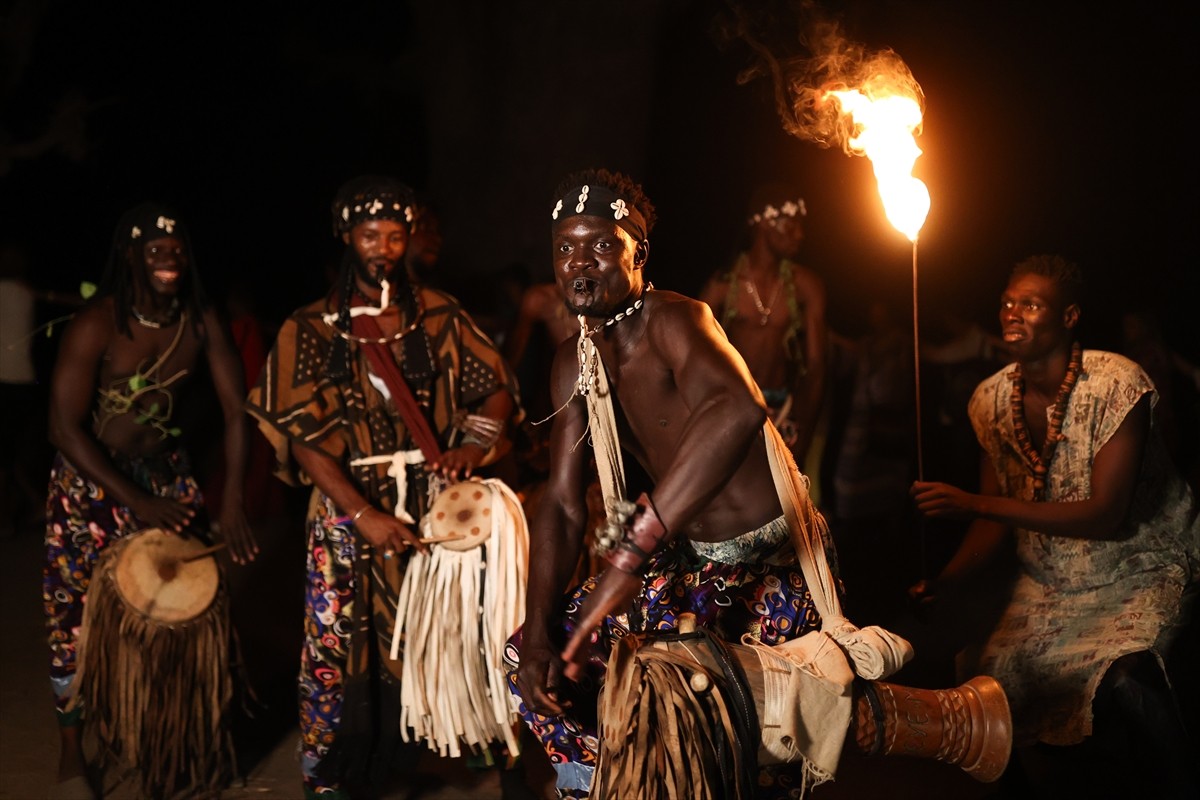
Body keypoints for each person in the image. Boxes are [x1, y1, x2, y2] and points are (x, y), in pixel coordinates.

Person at [506, 169, 1006, 799]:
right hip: (686, 558)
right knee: (533, 660)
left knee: (704, 700)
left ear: (639, 252)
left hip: (767, 559)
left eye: (602, 244)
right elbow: (560, 503)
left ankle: (951, 721)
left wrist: (633, 549)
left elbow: (738, 408)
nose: (581, 262)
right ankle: (605, 784)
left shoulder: (676, 319)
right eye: (566, 248)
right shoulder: (572, 361)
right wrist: (540, 631)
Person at [245, 175, 523, 799]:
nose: (384, 249)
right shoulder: (310, 327)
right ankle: (330, 776)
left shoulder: (439, 314)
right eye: (370, 236)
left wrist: (473, 444)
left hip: (429, 507)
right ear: (347, 238)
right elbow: (303, 440)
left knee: (442, 632)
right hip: (347, 513)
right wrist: (362, 514)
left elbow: (497, 388)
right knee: (338, 642)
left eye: (395, 236)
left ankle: (427, 754)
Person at [910, 254, 1200, 798]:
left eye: (1031, 304)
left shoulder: (1118, 385)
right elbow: (992, 523)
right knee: (981, 685)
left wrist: (976, 503)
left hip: (1138, 566)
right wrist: (947, 580)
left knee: (1128, 681)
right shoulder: (990, 399)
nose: (1012, 313)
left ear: (1068, 317)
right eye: (1008, 302)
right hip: (1048, 584)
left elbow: (1105, 514)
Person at [44, 202, 259, 799]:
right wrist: (135, 499)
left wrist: (232, 499)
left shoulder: (201, 321)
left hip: (167, 478)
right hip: (92, 484)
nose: (170, 259)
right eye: (156, 250)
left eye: (178, 250)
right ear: (131, 256)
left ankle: (162, 746)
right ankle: (72, 751)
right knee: (74, 617)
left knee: (178, 616)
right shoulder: (98, 323)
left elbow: (236, 412)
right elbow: (62, 427)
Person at [699, 186, 828, 481]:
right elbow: (695, 356)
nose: (800, 234)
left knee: (780, 497)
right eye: (791, 225)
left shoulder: (806, 286)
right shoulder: (723, 285)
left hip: (782, 411)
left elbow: (816, 368)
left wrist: (804, 436)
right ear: (764, 223)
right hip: (734, 405)